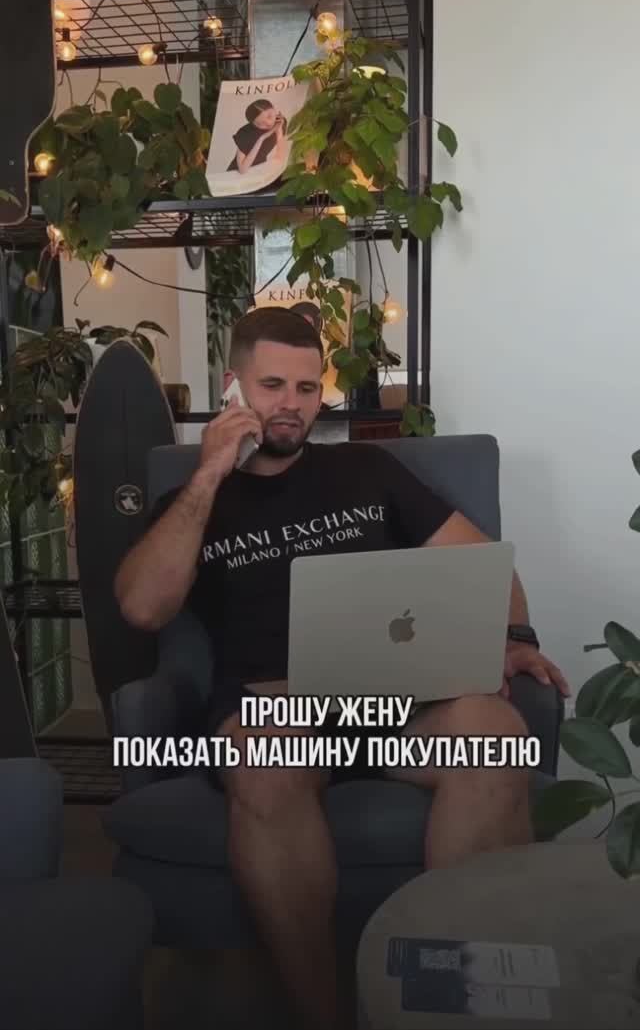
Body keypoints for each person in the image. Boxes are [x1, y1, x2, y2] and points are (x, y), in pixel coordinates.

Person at [114, 307, 570, 1030]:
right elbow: (142, 606)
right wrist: (208, 474)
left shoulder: (365, 469)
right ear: (233, 387)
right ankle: (324, 1013)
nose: (291, 405)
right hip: (275, 713)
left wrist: (513, 636)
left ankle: (442, 1001)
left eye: (306, 388)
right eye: (271, 386)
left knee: (496, 735)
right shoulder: (190, 503)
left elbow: (487, 564)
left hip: (394, 704)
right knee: (265, 765)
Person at [228, 99, 288, 175]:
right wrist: (261, 138)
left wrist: (279, 130)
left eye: (269, 116)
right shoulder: (245, 133)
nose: (269, 123)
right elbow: (242, 170)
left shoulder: (280, 122)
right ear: (253, 124)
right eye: (261, 124)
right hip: (235, 174)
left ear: (274, 109)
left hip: (258, 170)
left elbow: (280, 157)